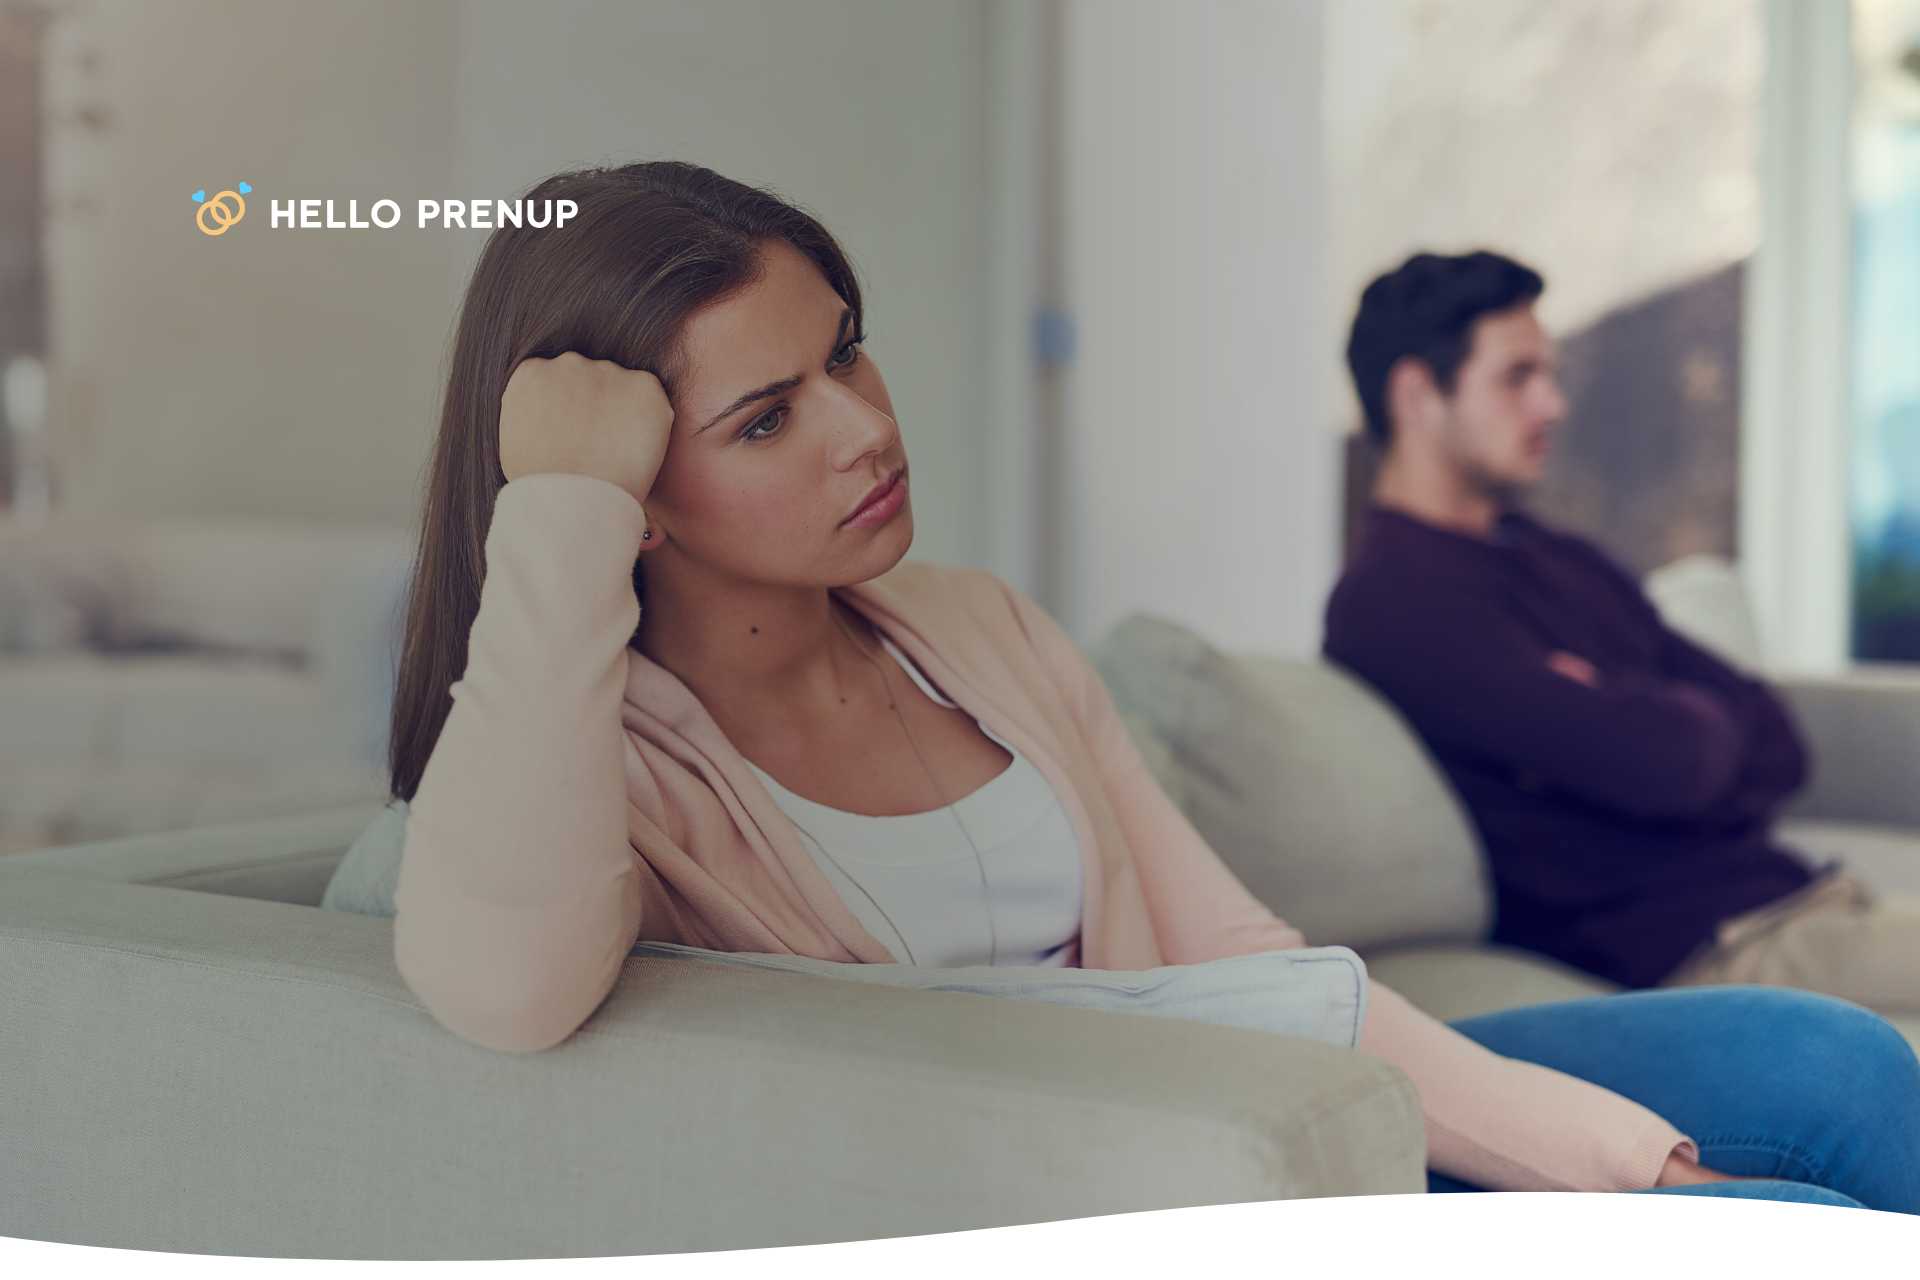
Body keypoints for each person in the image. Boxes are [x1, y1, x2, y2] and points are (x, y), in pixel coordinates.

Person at [336, 163, 1920, 1209]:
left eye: (850, 352)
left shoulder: (971, 624)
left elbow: (1239, 958)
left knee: (1831, 1054)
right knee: (1775, 1222)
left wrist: (1524, 1135)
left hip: (1251, 1090)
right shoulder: (599, 763)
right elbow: (500, 986)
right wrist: (553, 511)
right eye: (767, 418)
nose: (863, 426)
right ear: (636, 492)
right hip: (1137, 1182)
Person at [1324, 250, 1920, 1011]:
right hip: (1719, 949)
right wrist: (1674, 719)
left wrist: (1628, 703)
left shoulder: (1554, 552)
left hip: (1801, 901)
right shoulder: (1395, 600)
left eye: (1549, 373)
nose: (1553, 404)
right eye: (1517, 376)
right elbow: (1664, 767)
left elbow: (1778, 740)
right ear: (1416, 393)